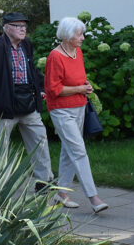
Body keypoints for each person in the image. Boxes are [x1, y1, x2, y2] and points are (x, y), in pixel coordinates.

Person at [0, 12, 52, 186]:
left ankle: (44, 183)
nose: (22, 29)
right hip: (5, 106)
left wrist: (41, 88)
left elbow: (32, 70)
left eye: (24, 26)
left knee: (40, 142)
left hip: (28, 102)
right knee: (0, 149)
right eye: (18, 26)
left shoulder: (26, 44)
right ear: (6, 28)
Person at [44, 16, 108, 213]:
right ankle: (94, 198)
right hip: (61, 111)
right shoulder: (55, 57)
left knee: (68, 151)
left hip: (80, 107)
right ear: (68, 35)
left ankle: (61, 193)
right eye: (79, 34)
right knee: (78, 151)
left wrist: (85, 85)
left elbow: (78, 78)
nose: (83, 38)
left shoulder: (77, 52)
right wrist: (80, 88)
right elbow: (53, 89)